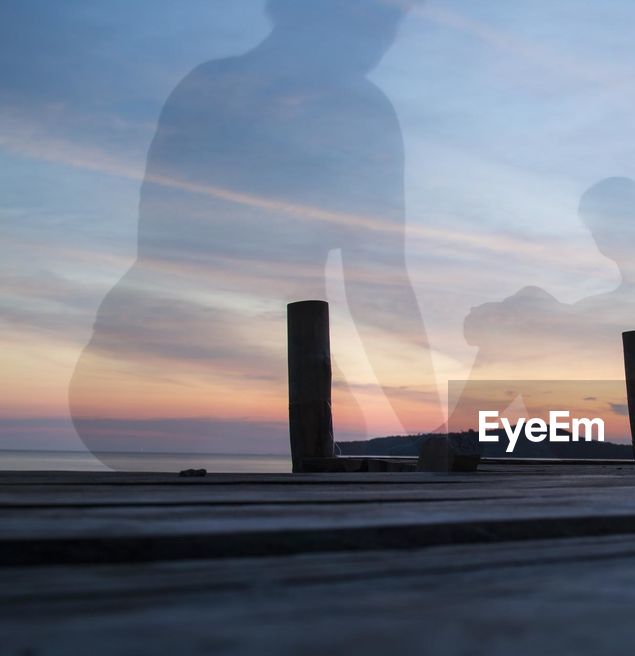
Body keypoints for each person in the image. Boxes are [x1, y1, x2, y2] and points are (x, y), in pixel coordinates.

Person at [70, 0, 436, 464]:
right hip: (165, 377)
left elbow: (379, 279)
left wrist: (432, 427)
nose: (383, 36)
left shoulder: (212, 84)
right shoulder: (358, 111)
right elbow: (379, 279)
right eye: (366, 16)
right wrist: (433, 429)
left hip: (145, 374)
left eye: (391, 20)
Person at [452, 177, 635, 433]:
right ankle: (456, 433)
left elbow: (570, 323)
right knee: (528, 305)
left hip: (618, 421)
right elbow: (567, 320)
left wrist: (512, 313)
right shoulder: (628, 295)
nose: (600, 234)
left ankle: (456, 433)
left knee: (526, 311)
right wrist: (508, 312)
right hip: (601, 411)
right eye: (595, 227)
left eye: (606, 223)